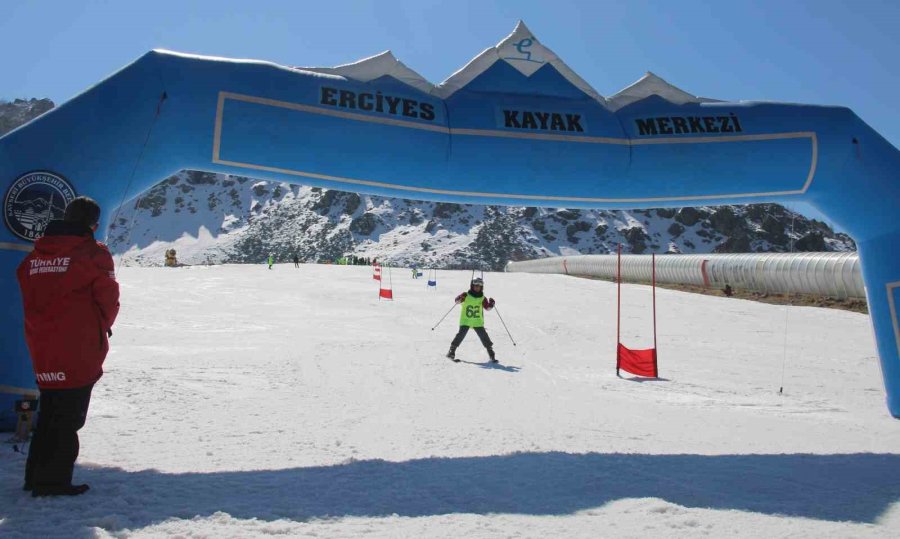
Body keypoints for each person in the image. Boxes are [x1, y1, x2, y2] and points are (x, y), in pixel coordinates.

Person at [16, 196, 120, 497]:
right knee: (68, 417)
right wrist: (101, 326)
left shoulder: (36, 254)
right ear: (94, 225)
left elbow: (25, 281)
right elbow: (108, 299)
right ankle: (52, 482)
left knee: (49, 410)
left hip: (41, 343)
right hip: (78, 347)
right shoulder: (94, 254)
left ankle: (35, 476)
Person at [447, 277, 497, 363]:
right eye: (475, 285)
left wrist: (491, 304)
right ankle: (451, 351)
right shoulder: (466, 295)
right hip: (466, 320)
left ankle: (491, 353)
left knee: (484, 336)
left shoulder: (482, 298)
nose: (477, 287)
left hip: (477, 321)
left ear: (482, 287)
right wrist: (459, 298)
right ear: (472, 286)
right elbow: (457, 301)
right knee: (461, 335)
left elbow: (487, 308)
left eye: (479, 286)